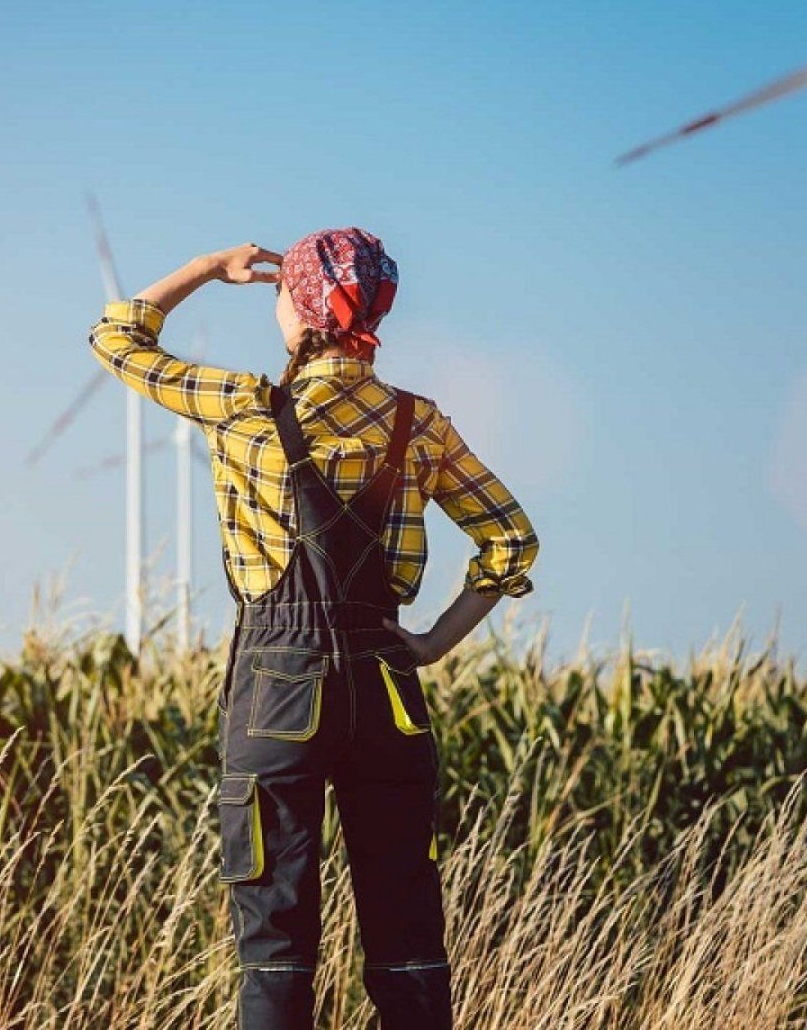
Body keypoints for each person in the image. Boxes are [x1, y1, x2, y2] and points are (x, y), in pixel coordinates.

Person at [88, 226, 539, 1029]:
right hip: (386, 687)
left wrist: (204, 267)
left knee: (278, 952)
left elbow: (116, 337)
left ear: (298, 310)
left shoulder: (241, 406)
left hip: (275, 690)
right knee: (408, 946)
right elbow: (511, 539)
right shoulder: (419, 423)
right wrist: (433, 642)